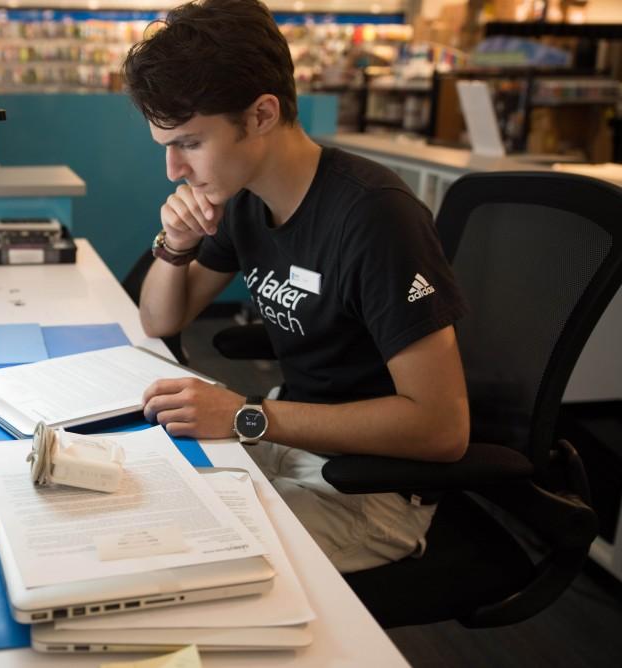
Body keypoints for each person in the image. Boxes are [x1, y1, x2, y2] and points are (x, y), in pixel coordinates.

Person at [122, 0, 470, 573]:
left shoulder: (375, 216)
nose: (173, 171)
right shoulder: (245, 201)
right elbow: (162, 321)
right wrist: (176, 245)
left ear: (261, 115)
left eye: (188, 142)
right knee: (145, 514)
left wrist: (246, 416)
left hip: (375, 487)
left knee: (186, 566)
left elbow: (443, 428)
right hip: (291, 436)